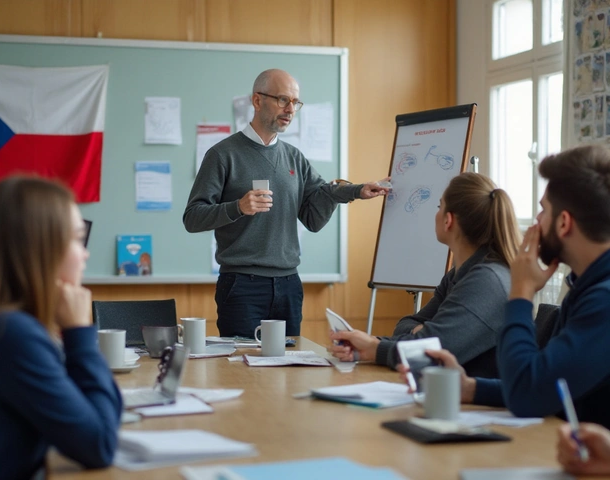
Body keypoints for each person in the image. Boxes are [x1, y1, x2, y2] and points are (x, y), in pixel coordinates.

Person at [183, 68, 390, 338]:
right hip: (242, 285)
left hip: (289, 283)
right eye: (283, 100)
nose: (290, 109)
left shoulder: (294, 158)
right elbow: (193, 217)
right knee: (242, 369)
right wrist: (238, 207)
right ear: (257, 101)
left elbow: (317, 209)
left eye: (295, 102)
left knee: (289, 372)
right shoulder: (223, 155)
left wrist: (356, 191)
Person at [414, 144, 610, 429]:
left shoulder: (603, 301)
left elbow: (527, 393)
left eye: (543, 211)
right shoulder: (586, 288)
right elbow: (546, 384)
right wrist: (472, 389)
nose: (537, 222)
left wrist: (521, 293)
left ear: (564, 223)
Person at [0, 177, 122, 479]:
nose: (86, 253)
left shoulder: (4, 321)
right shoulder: (10, 333)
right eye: (78, 239)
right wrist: (80, 333)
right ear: (41, 248)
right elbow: (100, 444)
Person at [330, 172, 521, 378]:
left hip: (478, 405)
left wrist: (374, 347)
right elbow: (406, 325)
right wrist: (376, 343)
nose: (436, 214)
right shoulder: (460, 273)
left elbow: (430, 353)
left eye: (439, 207)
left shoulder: (486, 281)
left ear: (448, 220)